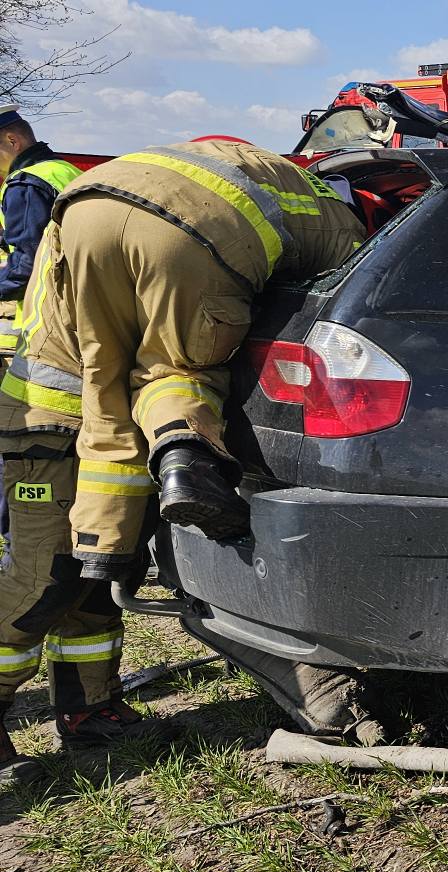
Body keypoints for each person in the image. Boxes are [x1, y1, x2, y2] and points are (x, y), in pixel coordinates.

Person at [35, 139, 362, 581]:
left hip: (86, 207)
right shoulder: (346, 224)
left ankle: (102, 545)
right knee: (177, 371)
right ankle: (189, 469)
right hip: (186, 236)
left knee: (104, 381)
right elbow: (351, 298)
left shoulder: (269, 167)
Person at [0, 218, 151, 791]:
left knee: (97, 569)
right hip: (47, 426)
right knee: (44, 575)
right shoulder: (103, 237)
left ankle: (89, 711)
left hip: (102, 430)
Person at [0, 105, 83, 358]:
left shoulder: (25, 182)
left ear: (12, 141)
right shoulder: (64, 170)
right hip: (79, 306)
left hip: (49, 318)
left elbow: (29, 260)